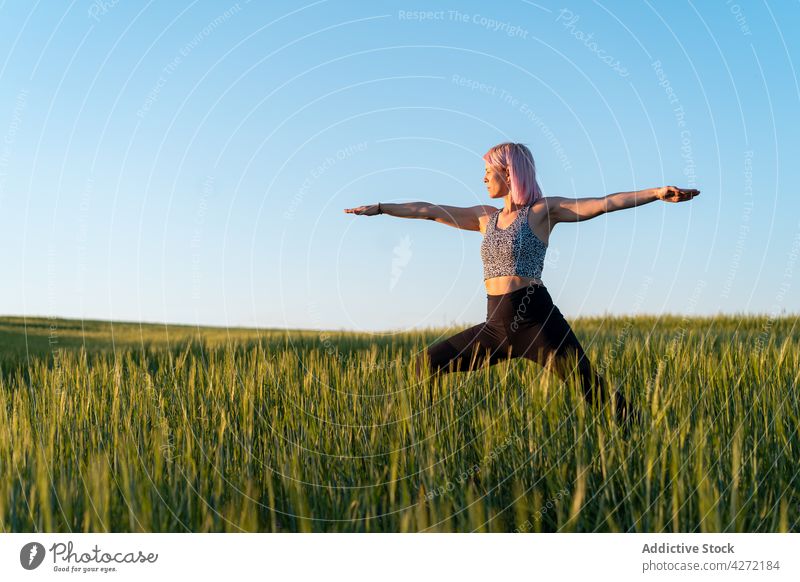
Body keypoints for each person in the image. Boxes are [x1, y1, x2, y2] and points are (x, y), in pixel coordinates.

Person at [344, 142, 699, 425]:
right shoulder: (485, 217)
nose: (483, 178)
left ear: (509, 172)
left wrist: (655, 193)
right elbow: (430, 209)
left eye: (488, 171)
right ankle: (425, 438)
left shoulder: (543, 211)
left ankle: (644, 438)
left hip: (537, 323)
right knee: (427, 364)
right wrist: (380, 207)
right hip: (495, 327)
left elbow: (603, 204)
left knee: (592, 389)